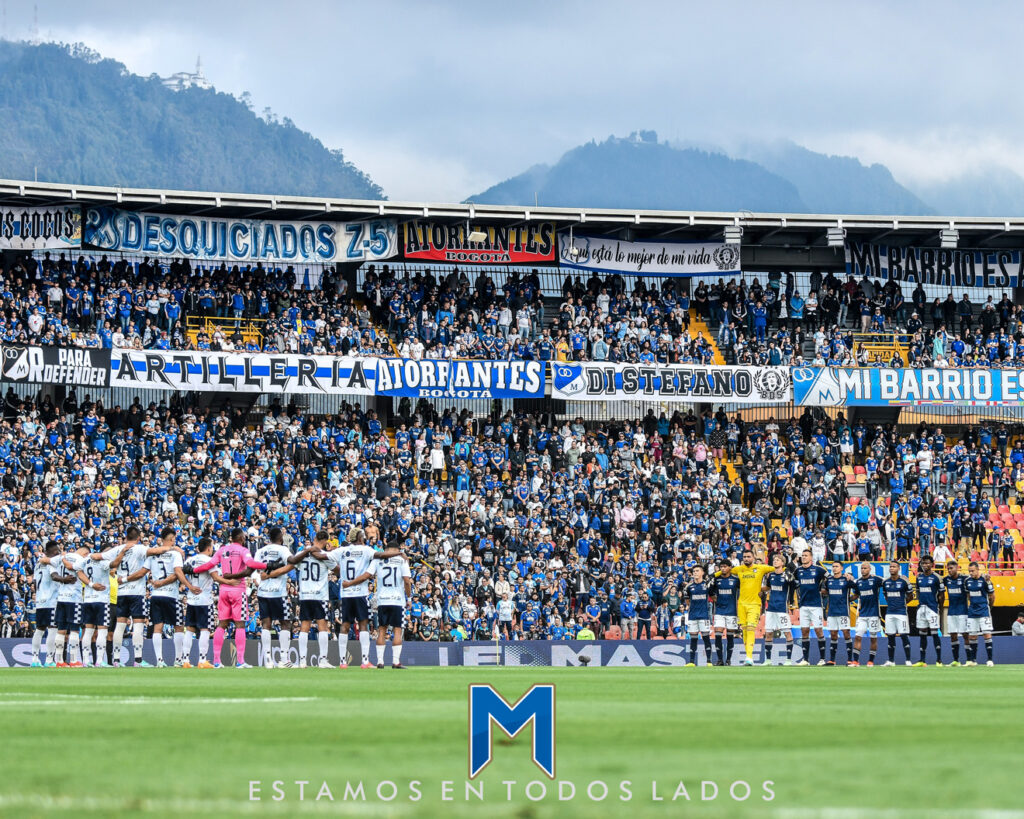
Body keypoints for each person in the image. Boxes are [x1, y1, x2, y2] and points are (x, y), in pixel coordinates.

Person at [193, 528, 269, 669]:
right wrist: (266, 565)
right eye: (244, 537)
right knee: (240, 625)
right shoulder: (243, 550)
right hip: (238, 590)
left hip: (223, 590)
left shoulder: (222, 550)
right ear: (240, 537)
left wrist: (194, 570)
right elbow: (251, 564)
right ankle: (240, 661)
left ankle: (216, 661)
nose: (245, 539)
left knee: (221, 625)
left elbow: (210, 564)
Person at [112, 525, 178, 668]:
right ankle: (138, 660)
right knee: (138, 625)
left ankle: (116, 660)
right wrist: (173, 548)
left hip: (122, 592)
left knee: (120, 625)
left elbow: (105, 560)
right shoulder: (140, 548)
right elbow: (156, 552)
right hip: (136, 593)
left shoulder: (118, 549)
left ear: (126, 536)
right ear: (139, 538)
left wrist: (120, 578)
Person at [334, 534, 401, 668]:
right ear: (360, 538)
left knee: (345, 625)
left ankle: (342, 662)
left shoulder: (341, 550)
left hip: (346, 594)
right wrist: (400, 554)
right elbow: (380, 556)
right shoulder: (366, 550)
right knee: (363, 625)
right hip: (361, 593)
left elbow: (327, 558)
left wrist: (342, 575)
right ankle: (365, 661)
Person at [346, 549, 412, 668]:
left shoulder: (378, 559)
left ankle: (380, 662)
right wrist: (409, 598)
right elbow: (407, 581)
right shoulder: (403, 560)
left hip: (382, 600)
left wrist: (351, 583)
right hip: (397, 600)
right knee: (397, 630)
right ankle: (396, 662)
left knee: (382, 630)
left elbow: (367, 575)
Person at [287, 532, 339, 669]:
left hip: (305, 595)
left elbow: (292, 562)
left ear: (315, 539)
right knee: (322, 627)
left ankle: (302, 661)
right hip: (319, 595)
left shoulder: (302, 554)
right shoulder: (324, 555)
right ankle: (322, 660)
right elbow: (338, 570)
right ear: (326, 541)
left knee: (304, 627)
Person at [74, 539, 129, 667]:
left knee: (88, 631)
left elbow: (77, 570)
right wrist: (122, 553)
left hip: (87, 600)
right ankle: (99, 660)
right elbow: (115, 563)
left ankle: (86, 661)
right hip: (102, 600)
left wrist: (90, 584)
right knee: (102, 631)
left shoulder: (85, 560)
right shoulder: (103, 562)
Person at [147, 527, 196, 668]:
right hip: (171, 595)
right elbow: (177, 574)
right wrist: (188, 585)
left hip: (156, 595)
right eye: (174, 539)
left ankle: (159, 661)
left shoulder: (153, 553)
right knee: (179, 626)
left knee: (158, 627)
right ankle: (178, 659)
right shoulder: (175, 554)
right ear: (172, 539)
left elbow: (144, 571)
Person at [253, 527, 295, 669]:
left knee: (266, 624)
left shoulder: (260, 551)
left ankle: (268, 660)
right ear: (281, 537)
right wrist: (273, 574)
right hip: (278, 592)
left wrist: (263, 576)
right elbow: (291, 565)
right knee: (285, 623)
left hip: (263, 591)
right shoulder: (283, 550)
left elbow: (255, 568)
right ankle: (284, 659)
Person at [729, 549, 774, 666]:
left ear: (753, 558)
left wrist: (765, 589)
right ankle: (748, 656)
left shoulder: (761, 568)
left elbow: (777, 569)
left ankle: (749, 657)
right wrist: (714, 575)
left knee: (750, 628)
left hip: (754, 604)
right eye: (744, 557)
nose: (746, 559)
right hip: (741, 604)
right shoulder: (739, 569)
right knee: (744, 630)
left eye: (748, 557)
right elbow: (725, 571)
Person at [182, 537, 217, 668]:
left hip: (191, 598)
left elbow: (182, 573)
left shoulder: (190, 560)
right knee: (205, 629)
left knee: (189, 630)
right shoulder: (209, 561)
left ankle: (185, 660)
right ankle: (202, 660)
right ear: (209, 548)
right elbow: (216, 577)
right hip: (204, 599)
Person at [52, 543, 87, 667]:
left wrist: (62, 556)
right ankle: (73, 660)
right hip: (74, 599)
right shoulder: (81, 560)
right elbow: (78, 572)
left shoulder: (63, 557)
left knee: (61, 630)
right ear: (85, 553)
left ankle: (59, 661)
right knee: (74, 629)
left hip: (61, 598)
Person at [30, 540, 62, 667]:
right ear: (52, 552)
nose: (59, 553)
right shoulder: (51, 563)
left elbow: (34, 582)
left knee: (39, 629)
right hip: (51, 601)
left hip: (40, 601)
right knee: (53, 629)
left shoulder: (38, 564)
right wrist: (65, 580)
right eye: (57, 551)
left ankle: (34, 659)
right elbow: (54, 576)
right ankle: (49, 660)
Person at [793, 549, 827, 666]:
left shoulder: (818, 570)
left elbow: (830, 577)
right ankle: (805, 660)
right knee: (804, 631)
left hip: (816, 605)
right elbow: (792, 581)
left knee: (818, 630)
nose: (804, 557)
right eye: (802, 555)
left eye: (806, 555)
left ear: (811, 558)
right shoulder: (798, 571)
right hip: (803, 605)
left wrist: (824, 589)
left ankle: (822, 659)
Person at [759, 554, 795, 666]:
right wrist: (758, 589)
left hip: (782, 608)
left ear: (782, 563)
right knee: (768, 633)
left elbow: (794, 586)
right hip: (771, 608)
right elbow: (768, 587)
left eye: (778, 560)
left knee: (787, 633)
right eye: (774, 559)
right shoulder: (771, 576)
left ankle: (789, 660)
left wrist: (792, 579)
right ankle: (768, 660)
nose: (775, 561)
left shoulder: (787, 575)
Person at [851, 561, 884, 667]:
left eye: (865, 568)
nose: (863, 570)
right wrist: (845, 600)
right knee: (857, 636)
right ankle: (855, 661)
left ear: (870, 569)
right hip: (863, 614)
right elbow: (856, 595)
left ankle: (871, 661)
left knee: (873, 638)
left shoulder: (875, 579)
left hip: (874, 614)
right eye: (862, 568)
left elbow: (887, 583)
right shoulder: (858, 582)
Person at [913, 555, 944, 666]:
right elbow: (919, 592)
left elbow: (941, 595)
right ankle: (922, 660)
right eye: (923, 563)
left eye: (927, 563)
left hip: (932, 608)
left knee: (935, 634)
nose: (925, 565)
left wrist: (939, 609)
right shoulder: (919, 577)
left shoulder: (937, 577)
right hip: (922, 608)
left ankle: (939, 660)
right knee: (922, 634)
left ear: (932, 564)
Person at [824, 561, 856, 665]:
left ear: (842, 568)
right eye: (833, 566)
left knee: (846, 634)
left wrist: (849, 599)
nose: (834, 568)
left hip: (843, 611)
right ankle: (832, 660)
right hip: (832, 612)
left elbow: (858, 590)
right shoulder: (829, 580)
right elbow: (825, 591)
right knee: (833, 635)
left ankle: (850, 659)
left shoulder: (846, 579)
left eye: (836, 566)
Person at [709, 559, 740, 666]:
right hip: (719, 611)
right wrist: (714, 598)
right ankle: (720, 660)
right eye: (721, 567)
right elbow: (710, 591)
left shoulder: (736, 580)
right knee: (718, 634)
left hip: (732, 611)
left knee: (730, 636)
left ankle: (728, 660)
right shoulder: (716, 579)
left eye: (725, 566)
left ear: (730, 567)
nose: (722, 568)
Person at [964, 562, 995, 666]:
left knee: (987, 634)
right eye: (969, 571)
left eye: (972, 571)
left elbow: (992, 596)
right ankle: (973, 660)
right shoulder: (967, 581)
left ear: (978, 570)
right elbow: (968, 595)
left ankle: (990, 659)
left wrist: (989, 607)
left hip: (984, 611)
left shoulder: (985, 580)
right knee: (972, 636)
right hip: (972, 612)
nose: (971, 573)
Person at [881, 561, 913, 667]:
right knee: (890, 636)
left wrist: (902, 604)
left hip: (901, 613)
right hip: (890, 613)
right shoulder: (886, 582)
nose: (891, 568)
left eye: (894, 567)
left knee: (904, 636)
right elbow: (886, 596)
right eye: (890, 567)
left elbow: (910, 596)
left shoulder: (904, 581)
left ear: (898, 568)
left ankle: (908, 660)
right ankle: (891, 661)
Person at [683, 565, 713, 667]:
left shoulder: (707, 586)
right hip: (692, 616)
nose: (695, 573)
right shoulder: (689, 587)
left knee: (706, 638)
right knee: (693, 639)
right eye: (694, 571)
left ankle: (709, 661)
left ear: (702, 573)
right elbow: (687, 602)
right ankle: (691, 662)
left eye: (697, 571)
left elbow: (713, 596)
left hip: (704, 615)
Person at [943, 560, 969, 666]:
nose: (949, 570)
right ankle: (956, 660)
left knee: (965, 635)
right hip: (951, 611)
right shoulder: (946, 580)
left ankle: (969, 660)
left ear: (957, 568)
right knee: (953, 635)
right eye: (948, 568)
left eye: (951, 568)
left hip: (963, 611)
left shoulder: (964, 579)